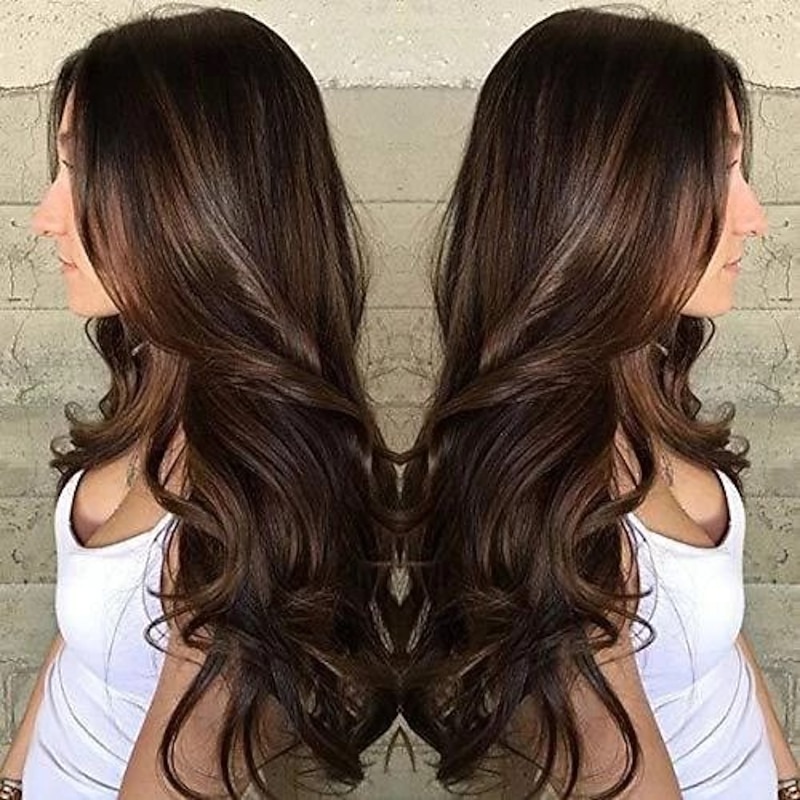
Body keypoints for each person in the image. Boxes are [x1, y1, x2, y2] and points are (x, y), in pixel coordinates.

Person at [400, 8, 799, 799]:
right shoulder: (558, 499)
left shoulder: (644, 385)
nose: (754, 218)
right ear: (606, 200)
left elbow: (722, 636)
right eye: (719, 173)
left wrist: (788, 779)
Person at [0, 8, 397, 799]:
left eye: (80, 172)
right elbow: (76, 642)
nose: (45, 218)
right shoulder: (157, 386)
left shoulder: (241, 500)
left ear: (193, 199)